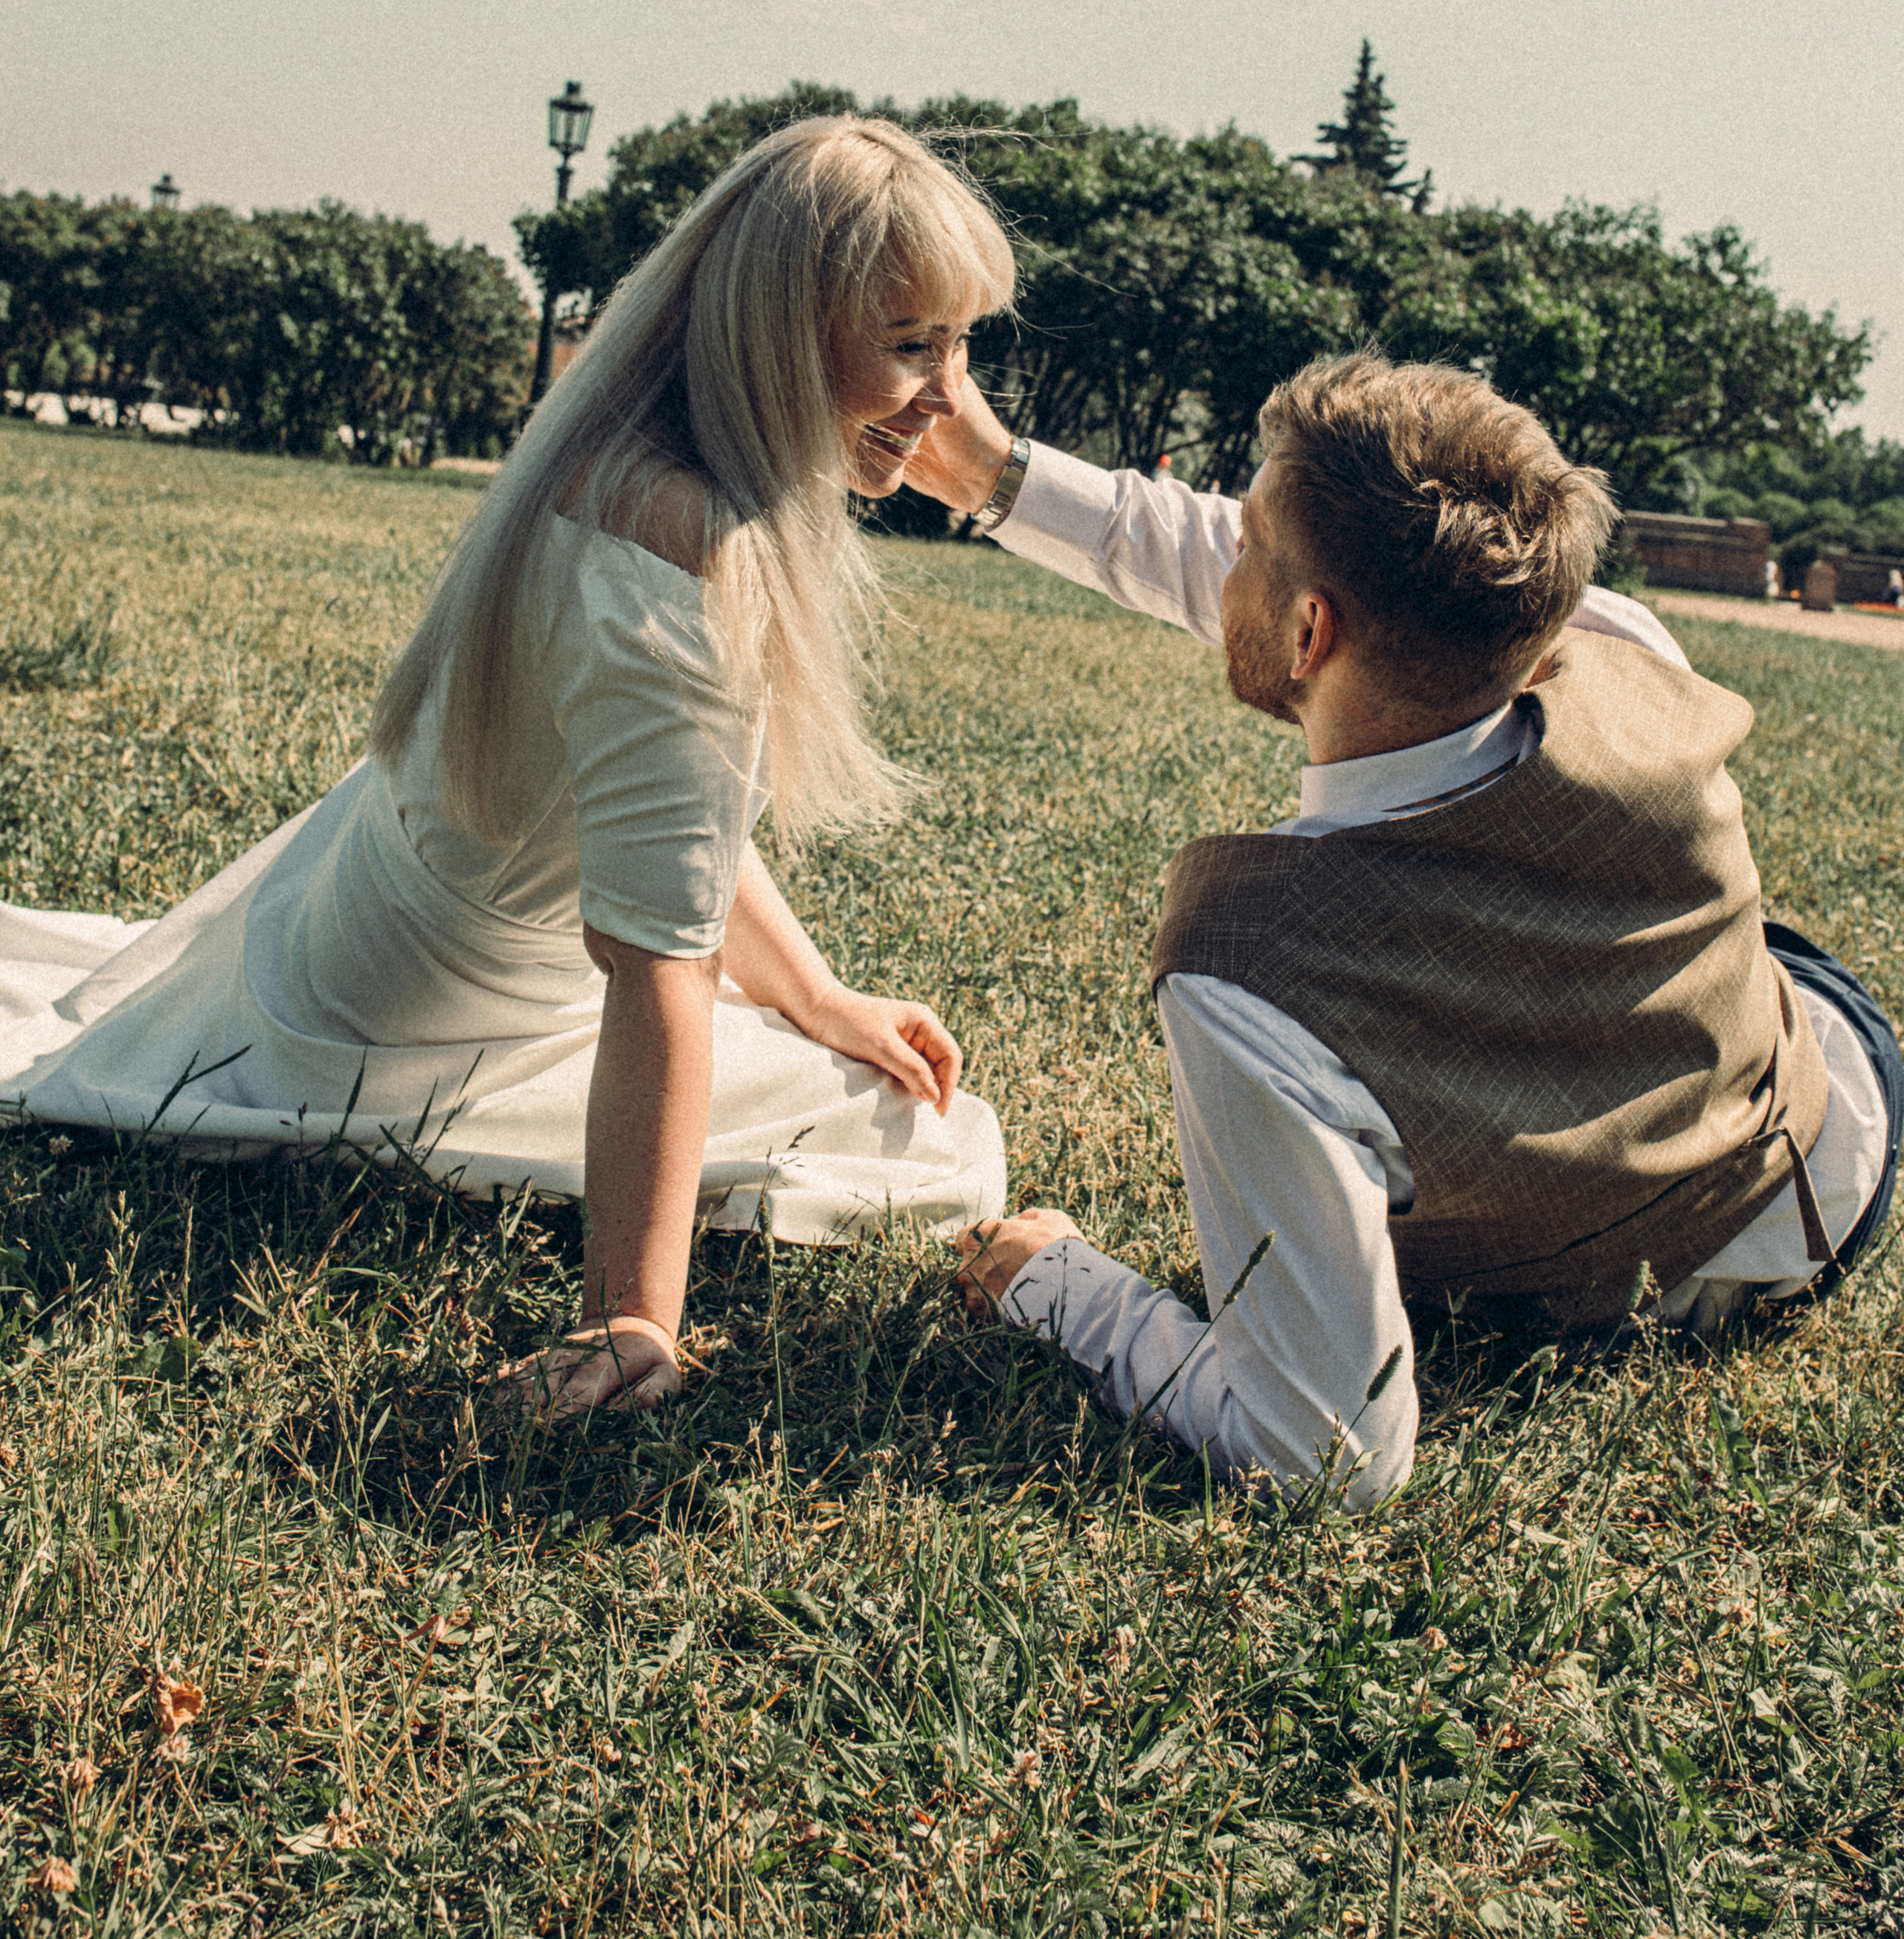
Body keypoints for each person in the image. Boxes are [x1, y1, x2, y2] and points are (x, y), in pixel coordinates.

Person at [0, 118, 1014, 1418]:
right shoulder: (693, 549)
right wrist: (631, 1321)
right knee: (933, 1147)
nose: (955, 397)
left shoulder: (612, 462)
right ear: (781, 337)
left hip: (347, 908)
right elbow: (658, 962)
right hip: (407, 1020)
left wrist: (817, 998)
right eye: (914, 345)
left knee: (821, 1064)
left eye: (963, 343)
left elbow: (664, 826)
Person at [909, 354, 1901, 1508]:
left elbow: (1329, 1453)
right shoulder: (1610, 640)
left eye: (1244, 543)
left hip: (1669, 1274)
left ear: (1311, 631)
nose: (1216, 556)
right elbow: (1317, 591)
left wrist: (1062, 1286)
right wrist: (995, 473)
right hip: (1837, 1107)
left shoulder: (1252, 973)